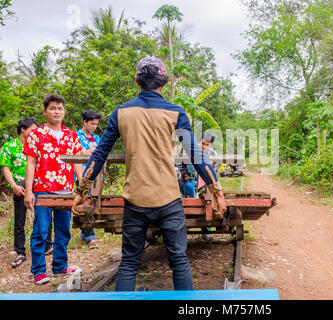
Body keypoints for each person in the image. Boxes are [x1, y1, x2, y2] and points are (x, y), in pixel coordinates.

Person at [72, 56, 227, 291]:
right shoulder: (175, 112)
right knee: (179, 261)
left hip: (135, 200)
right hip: (168, 200)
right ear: (163, 82)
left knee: (129, 263)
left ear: (137, 81)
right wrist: (218, 191)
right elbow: (197, 157)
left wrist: (81, 190)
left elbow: (100, 154)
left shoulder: (121, 113)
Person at [23, 94, 84, 285]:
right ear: (45, 111)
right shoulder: (36, 134)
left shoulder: (71, 135)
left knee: (63, 230)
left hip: (66, 191)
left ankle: (60, 265)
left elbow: (77, 163)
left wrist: (82, 188)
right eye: (52, 108)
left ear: (64, 112)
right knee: (41, 231)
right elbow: (31, 163)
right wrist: (28, 191)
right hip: (42, 190)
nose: (56, 112)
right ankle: (39, 270)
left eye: (60, 108)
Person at [0, 117, 41, 268]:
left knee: (44, 216)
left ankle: (47, 246)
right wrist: (14, 186)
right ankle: (20, 251)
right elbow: (5, 168)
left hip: (38, 185)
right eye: (32, 130)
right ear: (23, 129)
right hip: (20, 187)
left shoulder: (37, 145)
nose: (34, 133)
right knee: (20, 220)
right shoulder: (9, 146)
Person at [76, 110, 102, 249]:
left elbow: (101, 152)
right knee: (87, 203)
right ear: (85, 122)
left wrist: (90, 152)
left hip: (96, 176)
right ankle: (90, 237)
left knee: (91, 203)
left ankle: (84, 234)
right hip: (81, 175)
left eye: (96, 124)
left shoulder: (97, 138)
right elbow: (79, 152)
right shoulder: (76, 136)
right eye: (92, 123)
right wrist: (92, 152)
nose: (94, 126)